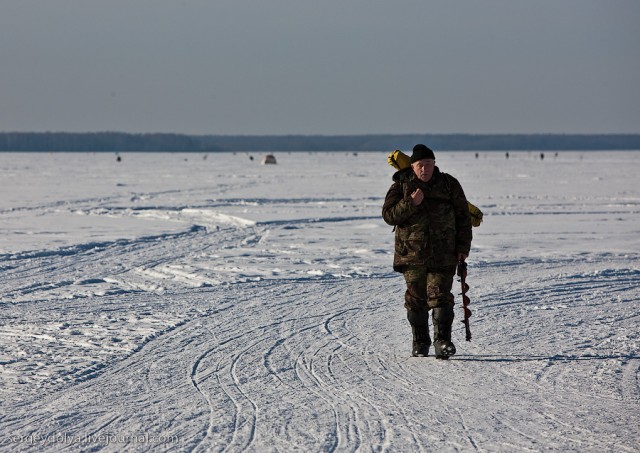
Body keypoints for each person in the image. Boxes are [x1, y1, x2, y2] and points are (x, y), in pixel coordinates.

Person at [382, 144, 472, 359]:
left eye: (429, 164)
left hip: (444, 254)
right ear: (412, 166)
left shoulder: (449, 184)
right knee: (416, 299)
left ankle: (443, 342)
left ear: (435, 164)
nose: (425, 169)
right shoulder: (401, 186)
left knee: (440, 296)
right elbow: (389, 216)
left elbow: (463, 218)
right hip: (411, 256)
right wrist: (410, 203)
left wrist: (462, 248)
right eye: (420, 165)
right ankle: (420, 343)